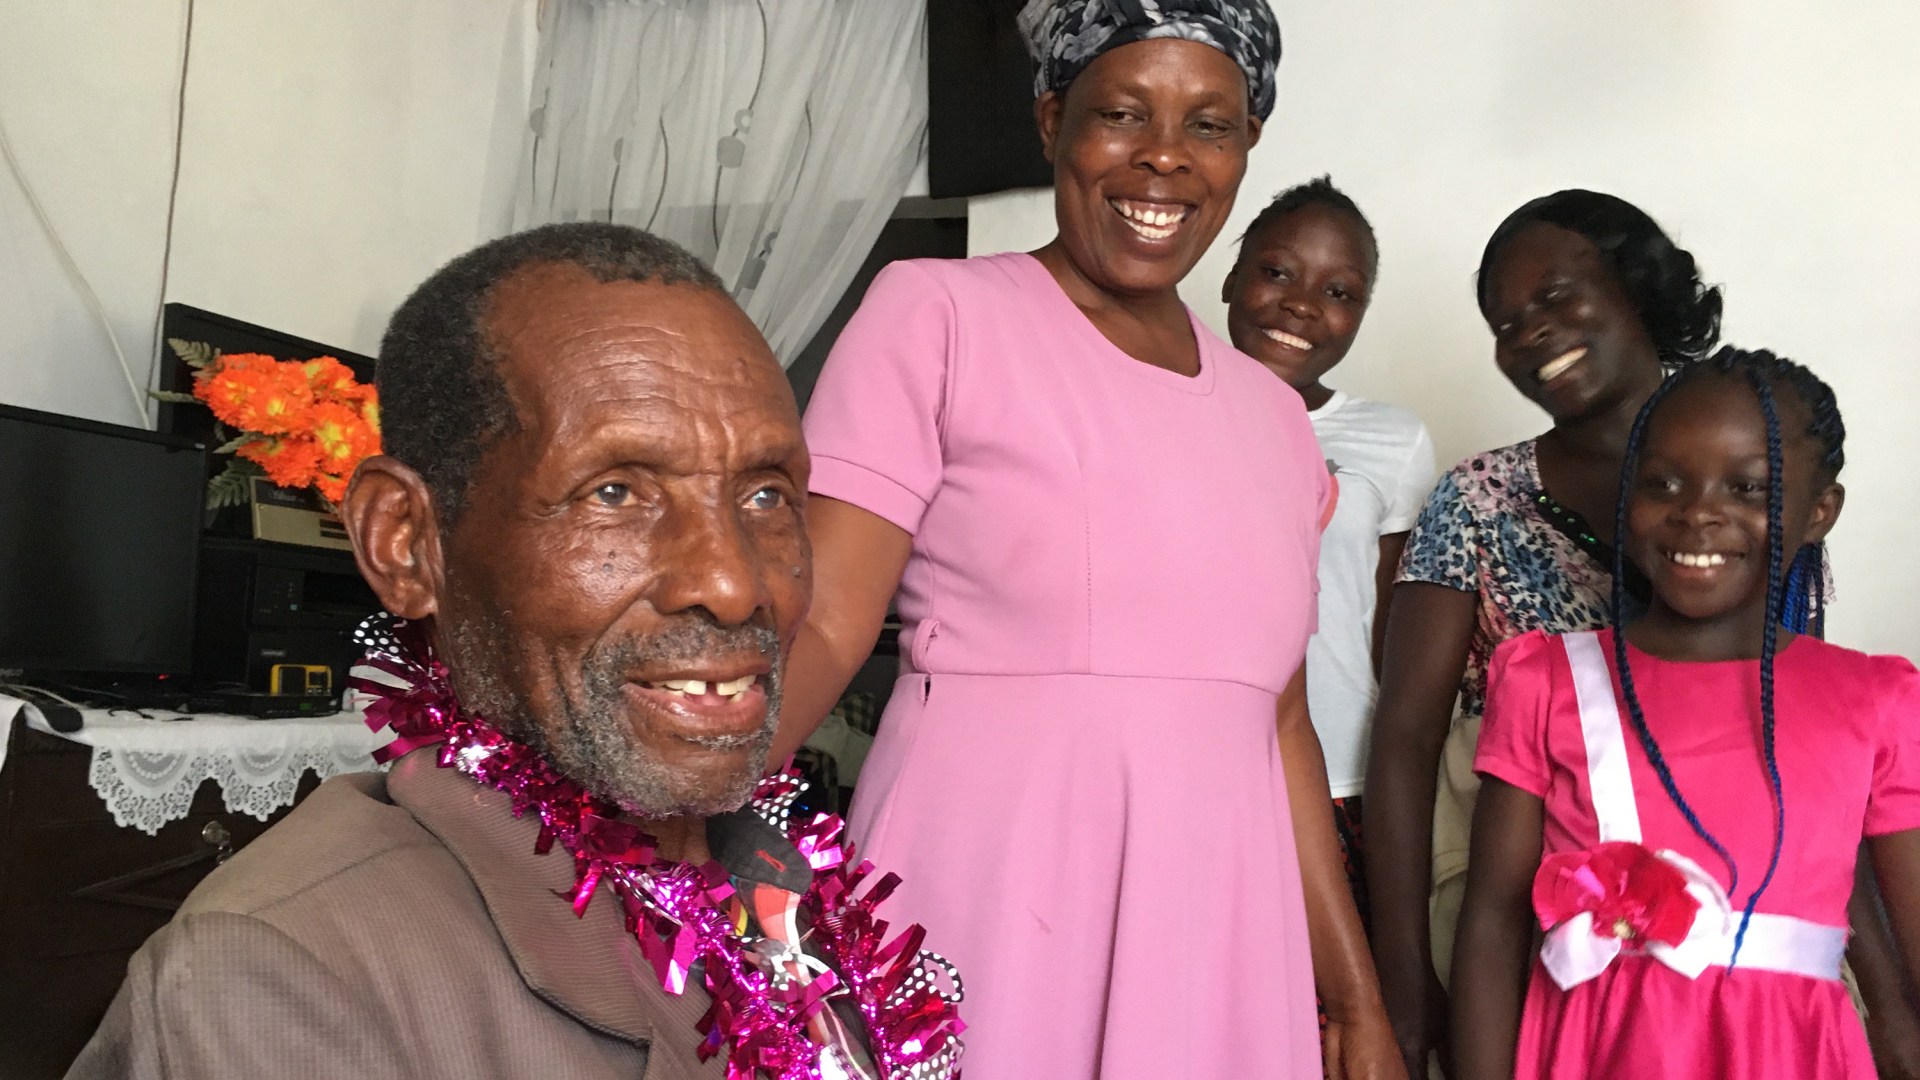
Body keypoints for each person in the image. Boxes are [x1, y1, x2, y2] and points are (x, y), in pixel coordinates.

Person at [65, 223, 963, 1080]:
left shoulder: (779, 875)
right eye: (615, 492)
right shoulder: (284, 979)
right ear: (408, 543)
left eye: (766, 496)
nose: (734, 585)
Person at [776, 1, 1400, 1076]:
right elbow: (827, 621)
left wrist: (1354, 1001)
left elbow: (1279, 722)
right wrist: (663, 827)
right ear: (1053, 116)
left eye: (1209, 125)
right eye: (1122, 112)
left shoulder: (1274, 421)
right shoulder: (937, 315)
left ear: (1247, 146)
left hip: (1217, 933)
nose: (1164, 155)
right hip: (985, 895)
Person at [1451, 348, 1920, 1077]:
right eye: (1664, 482)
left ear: (1819, 511)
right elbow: (1491, 923)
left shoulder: (1873, 699)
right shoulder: (1550, 679)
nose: (1699, 510)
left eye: (1748, 487)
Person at [1361, 190, 1722, 1076]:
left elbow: (1806, 712)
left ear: (1637, 286)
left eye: (1557, 296)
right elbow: (1405, 740)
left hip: (1726, 882)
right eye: (1506, 321)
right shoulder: (1476, 498)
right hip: (1506, 896)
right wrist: (1400, 980)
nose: (1529, 333)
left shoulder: (1748, 473)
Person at [1223, 176, 1437, 924]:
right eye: (1277, 272)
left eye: (1339, 291)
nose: (1303, 305)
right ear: (1230, 276)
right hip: (1191, 775)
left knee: (1328, 1022)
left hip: (1341, 775)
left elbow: (1391, 628)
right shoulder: (1150, 410)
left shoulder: (1393, 438)